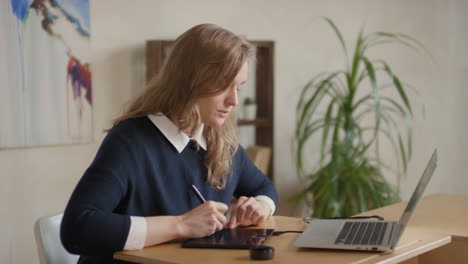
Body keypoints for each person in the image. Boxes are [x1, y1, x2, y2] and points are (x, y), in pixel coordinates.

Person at [60, 23, 278, 264]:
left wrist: (260, 206)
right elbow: (77, 228)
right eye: (225, 85)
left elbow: (264, 188)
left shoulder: (219, 140)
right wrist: (180, 225)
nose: (234, 100)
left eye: (239, 87)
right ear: (191, 80)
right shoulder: (130, 140)